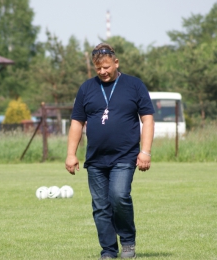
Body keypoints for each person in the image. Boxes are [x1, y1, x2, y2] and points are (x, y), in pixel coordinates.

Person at [65, 43, 154, 259]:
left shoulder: (134, 85)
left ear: (116, 62)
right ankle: (108, 250)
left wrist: (146, 152)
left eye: (106, 67)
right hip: (95, 160)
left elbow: (148, 119)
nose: (103, 72)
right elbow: (77, 122)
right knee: (100, 206)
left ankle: (128, 241)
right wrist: (71, 153)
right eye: (98, 69)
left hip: (125, 156)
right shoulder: (86, 88)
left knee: (119, 196)